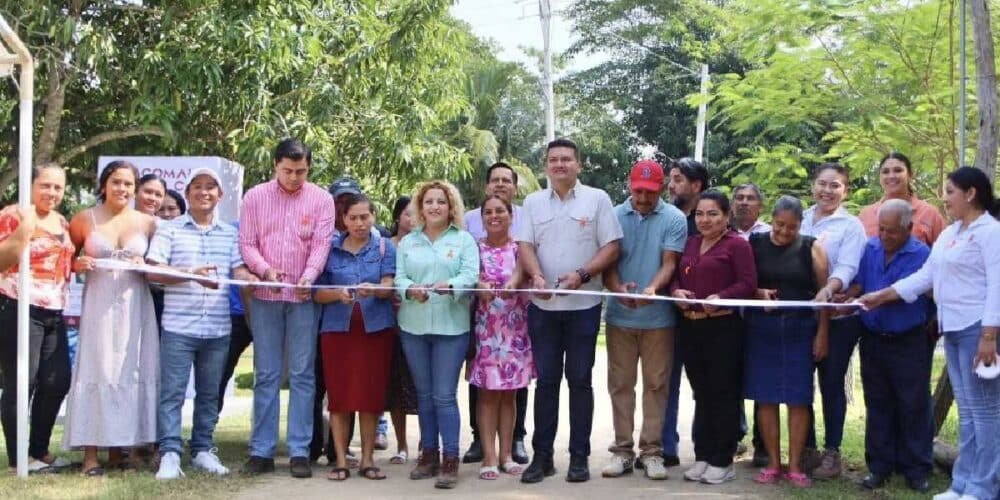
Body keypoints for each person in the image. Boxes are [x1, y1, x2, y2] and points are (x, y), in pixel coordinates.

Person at [859, 167, 1000, 500]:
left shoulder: (991, 232)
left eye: (950, 191)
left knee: (985, 414)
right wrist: (881, 295)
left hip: (977, 330)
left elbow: (997, 285)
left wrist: (990, 335)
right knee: (968, 412)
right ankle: (962, 483)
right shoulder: (952, 233)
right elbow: (925, 277)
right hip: (952, 329)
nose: (945, 198)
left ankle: (984, 486)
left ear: (971, 194)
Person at [517, 138, 623, 484]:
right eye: (553, 160)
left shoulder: (598, 199)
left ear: (579, 165)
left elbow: (612, 246)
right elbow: (525, 245)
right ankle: (542, 457)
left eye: (566, 159)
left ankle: (579, 457)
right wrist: (534, 275)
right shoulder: (532, 202)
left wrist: (582, 274)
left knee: (579, 381)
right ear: (546, 166)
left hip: (584, 307)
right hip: (543, 307)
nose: (559, 164)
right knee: (545, 382)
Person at [146, 168, 256, 480]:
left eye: (211, 187)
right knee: (173, 393)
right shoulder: (170, 229)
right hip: (178, 327)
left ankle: (203, 450)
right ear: (188, 191)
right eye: (197, 187)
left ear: (220, 195)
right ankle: (169, 453)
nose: (204, 192)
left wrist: (262, 278)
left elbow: (240, 272)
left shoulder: (230, 233)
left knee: (210, 393)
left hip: (219, 328)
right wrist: (191, 274)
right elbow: (153, 272)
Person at [238, 138, 335, 478]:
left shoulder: (322, 199)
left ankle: (299, 451)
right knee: (266, 375)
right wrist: (265, 270)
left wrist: (309, 277)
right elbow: (247, 244)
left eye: (301, 171)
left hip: (303, 300)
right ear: (275, 166)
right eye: (288, 171)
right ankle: (261, 451)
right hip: (265, 297)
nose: (294, 177)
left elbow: (322, 245)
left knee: (303, 375)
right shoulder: (254, 197)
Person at [63, 160, 160, 476]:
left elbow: (159, 265)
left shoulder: (147, 223)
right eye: (117, 182)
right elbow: (65, 260)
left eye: (129, 184)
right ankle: (91, 455)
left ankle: (122, 450)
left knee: (130, 371)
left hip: (135, 305)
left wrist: (143, 261)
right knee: (98, 368)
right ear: (104, 184)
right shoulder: (83, 219)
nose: (123, 189)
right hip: (99, 306)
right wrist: (78, 264)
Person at [600, 160, 686, 481]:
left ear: (662, 188)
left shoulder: (675, 218)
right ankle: (622, 452)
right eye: (638, 190)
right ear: (629, 184)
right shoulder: (613, 215)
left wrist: (654, 287)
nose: (644, 198)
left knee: (656, 385)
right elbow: (607, 260)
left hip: (659, 319)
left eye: (650, 192)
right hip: (620, 316)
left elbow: (670, 261)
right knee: (621, 385)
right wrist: (616, 287)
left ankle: (651, 453)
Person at [395, 180, 479, 489]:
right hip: (413, 327)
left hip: (451, 327)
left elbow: (471, 275)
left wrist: (452, 285)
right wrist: (408, 290)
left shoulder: (465, 240)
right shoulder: (408, 242)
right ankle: (428, 454)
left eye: (440, 202)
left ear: (450, 206)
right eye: (429, 201)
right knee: (424, 395)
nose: (434, 206)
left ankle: (450, 458)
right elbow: (400, 278)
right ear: (420, 207)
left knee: (444, 395)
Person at [669, 190, 756, 485]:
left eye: (712, 214)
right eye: (700, 214)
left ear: (726, 216)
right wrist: (676, 291)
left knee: (723, 394)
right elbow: (677, 275)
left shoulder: (737, 245)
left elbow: (748, 283)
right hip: (691, 327)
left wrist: (723, 297)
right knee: (702, 394)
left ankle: (723, 459)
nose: (705, 220)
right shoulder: (691, 242)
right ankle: (704, 456)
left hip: (723, 329)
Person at [846, 199, 933, 493]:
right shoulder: (870, 248)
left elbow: (915, 292)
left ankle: (917, 469)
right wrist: (846, 297)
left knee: (913, 405)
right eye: (881, 229)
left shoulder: (922, 255)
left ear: (909, 228)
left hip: (908, 342)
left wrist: (879, 296)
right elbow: (860, 284)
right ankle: (879, 467)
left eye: (892, 231)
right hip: (873, 341)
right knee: (878, 404)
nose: (884, 236)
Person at [744, 195, 830, 489]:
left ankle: (795, 466)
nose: (783, 232)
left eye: (791, 228)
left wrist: (822, 333)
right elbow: (743, 284)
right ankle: (773, 463)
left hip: (800, 329)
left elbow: (823, 295)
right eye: (779, 225)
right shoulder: (754, 243)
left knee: (798, 398)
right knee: (765, 397)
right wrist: (758, 293)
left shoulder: (812, 246)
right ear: (772, 217)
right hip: (762, 329)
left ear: (800, 225)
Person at [314, 193, 397, 481]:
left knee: (371, 396)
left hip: (376, 332)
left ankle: (367, 459)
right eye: (353, 218)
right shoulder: (329, 250)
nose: (359, 223)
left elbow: (389, 285)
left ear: (373, 216)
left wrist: (374, 289)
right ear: (344, 220)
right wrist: (337, 294)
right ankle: (339, 459)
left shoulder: (385, 247)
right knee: (338, 397)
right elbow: (317, 294)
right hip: (337, 333)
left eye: (365, 217)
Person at [0, 163, 74, 473]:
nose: (52, 192)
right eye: (45, 185)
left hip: (54, 311)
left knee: (57, 381)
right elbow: (3, 260)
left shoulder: (61, 221)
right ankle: (20, 458)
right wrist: (24, 229)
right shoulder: (12, 215)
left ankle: (39, 450)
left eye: (58, 187)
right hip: (18, 306)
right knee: (21, 383)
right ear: (30, 185)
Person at [800, 162, 867, 479]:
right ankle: (806, 449)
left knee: (831, 383)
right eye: (822, 183)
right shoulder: (799, 220)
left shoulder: (851, 226)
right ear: (814, 185)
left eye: (835, 185)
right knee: (801, 384)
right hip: (801, 316)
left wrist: (829, 289)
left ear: (845, 190)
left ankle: (832, 452)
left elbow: (848, 267)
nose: (827, 190)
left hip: (839, 318)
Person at [462, 162, 530, 466]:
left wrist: (515, 283)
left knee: (510, 396)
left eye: (500, 212)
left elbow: (523, 274)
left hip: (516, 332)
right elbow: (468, 277)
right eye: (488, 213)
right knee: (487, 395)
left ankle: (507, 454)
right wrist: (479, 284)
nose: (494, 217)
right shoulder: (474, 247)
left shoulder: (521, 248)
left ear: (511, 215)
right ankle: (489, 457)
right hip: (486, 333)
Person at [662, 157, 709, 466]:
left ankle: (709, 447)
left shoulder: (710, 220)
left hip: (708, 316)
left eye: (678, 179)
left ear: (697, 185)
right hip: (669, 312)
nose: (671, 184)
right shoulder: (665, 218)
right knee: (667, 382)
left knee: (706, 383)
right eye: (671, 178)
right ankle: (666, 446)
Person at [731, 182, 771, 466]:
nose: (744, 202)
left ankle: (763, 445)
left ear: (761, 205)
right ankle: (732, 437)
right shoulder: (722, 232)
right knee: (729, 379)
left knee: (760, 380)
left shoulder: (771, 234)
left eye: (750, 198)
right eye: (739, 198)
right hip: (728, 317)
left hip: (761, 319)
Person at [385, 196, 418, 465]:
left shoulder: (424, 245)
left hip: (418, 323)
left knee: (423, 387)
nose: (413, 219)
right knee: (395, 388)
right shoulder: (386, 246)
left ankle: (429, 445)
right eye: (408, 214)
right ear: (398, 217)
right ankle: (401, 444)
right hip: (389, 325)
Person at [858, 152, 946, 245]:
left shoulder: (929, 213)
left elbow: (945, 252)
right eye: (885, 172)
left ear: (910, 175)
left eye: (898, 170)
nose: (891, 176)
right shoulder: (865, 215)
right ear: (880, 177)